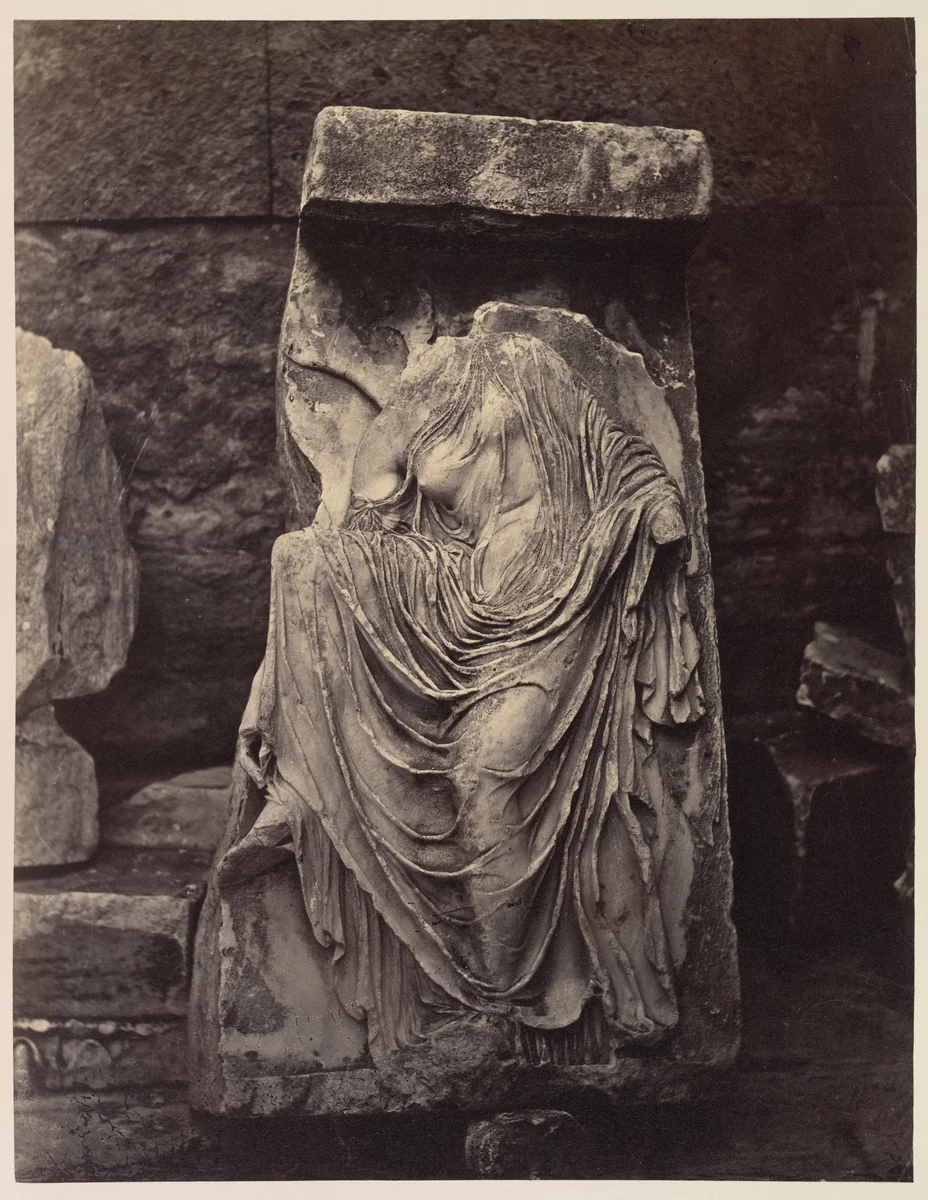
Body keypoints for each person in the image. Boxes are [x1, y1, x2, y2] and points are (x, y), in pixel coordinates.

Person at [219, 329, 703, 1064]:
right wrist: (268, 689)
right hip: (454, 600)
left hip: (555, 600)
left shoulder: (518, 364)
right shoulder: (417, 406)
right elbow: (356, 517)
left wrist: (647, 508)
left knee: (487, 778)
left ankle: (509, 998)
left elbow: (618, 455)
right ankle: (312, 794)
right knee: (304, 558)